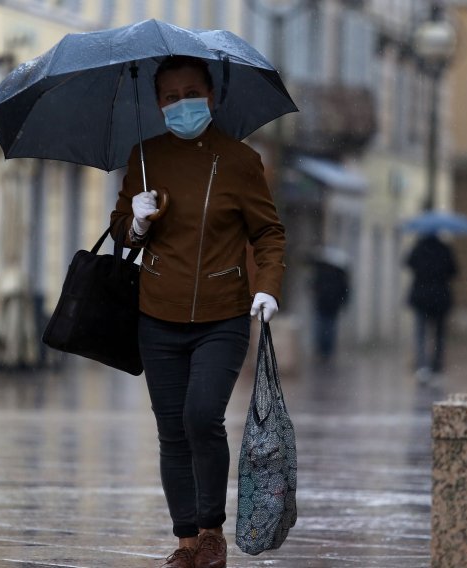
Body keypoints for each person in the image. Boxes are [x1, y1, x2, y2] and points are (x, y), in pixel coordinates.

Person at [110, 56, 286, 568]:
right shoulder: (145, 156)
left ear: (211, 95)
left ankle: (212, 532)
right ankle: (186, 542)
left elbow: (268, 232)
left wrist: (268, 286)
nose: (180, 104)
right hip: (157, 312)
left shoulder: (240, 161)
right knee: (170, 427)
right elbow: (122, 230)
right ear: (157, 103)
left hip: (222, 314)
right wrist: (137, 223)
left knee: (201, 416)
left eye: (190, 93)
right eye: (169, 97)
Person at [406, 233, 458, 378]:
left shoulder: (418, 248)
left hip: (421, 297)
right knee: (439, 333)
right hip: (440, 298)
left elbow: (408, 263)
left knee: (420, 333)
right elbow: (454, 271)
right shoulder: (445, 249)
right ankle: (437, 364)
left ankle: (422, 365)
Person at [310, 252, 349, 361]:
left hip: (325, 305)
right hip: (330, 306)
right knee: (327, 328)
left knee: (324, 328)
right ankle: (325, 351)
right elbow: (345, 292)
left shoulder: (323, 273)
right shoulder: (340, 275)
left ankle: (324, 351)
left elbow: (314, 287)